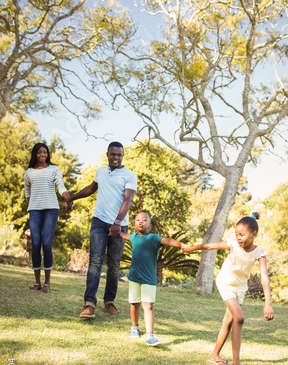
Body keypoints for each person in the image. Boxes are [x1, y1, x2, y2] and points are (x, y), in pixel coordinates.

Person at [182, 212, 274, 365]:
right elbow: (209, 246)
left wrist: (268, 303)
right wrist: (191, 248)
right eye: (237, 234)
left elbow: (265, 279)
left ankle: (214, 355)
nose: (238, 238)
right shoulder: (232, 245)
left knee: (229, 321)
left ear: (254, 234)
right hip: (225, 283)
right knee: (239, 317)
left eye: (242, 234)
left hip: (240, 288)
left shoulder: (259, 253)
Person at [67, 141, 137, 320]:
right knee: (95, 261)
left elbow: (127, 200)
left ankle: (109, 301)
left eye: (119, 155)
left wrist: (117, 222)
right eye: (113, 154)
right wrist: (72, 197)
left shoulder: (129, 175)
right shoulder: (101, 171)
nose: (116, 157)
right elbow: (91, 189)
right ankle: (89, 304)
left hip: (118, 225)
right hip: (99, 222)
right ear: (107, 154)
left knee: (113, 265)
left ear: (122, 156)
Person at [116, 211, 185, 346]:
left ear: (150, 225)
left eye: (144, 220)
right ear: (135, 224)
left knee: (148, 305)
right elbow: (123, 235)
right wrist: (115, 232)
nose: (141, 221)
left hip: (149, 279)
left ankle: (150, 335)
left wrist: (181, 245)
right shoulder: (134, 237)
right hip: (134, 278)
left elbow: (168, 240)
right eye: (137, 220)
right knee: (134, 304)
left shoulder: (153, 238)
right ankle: (134, 327)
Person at [24, 142, 72, 293]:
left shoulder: (54, 169)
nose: (42, 155)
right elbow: (27, 193)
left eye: (45, 152)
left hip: (51, 209)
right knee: (36, 244)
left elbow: (61, 186)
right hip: (35, 211)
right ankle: (37, 282)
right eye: (39, 153)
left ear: (48, 154)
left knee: (46, 243)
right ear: (35, 155)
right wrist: (34, 204)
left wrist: (68, 198)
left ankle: (47, 283)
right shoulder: (29, 172)